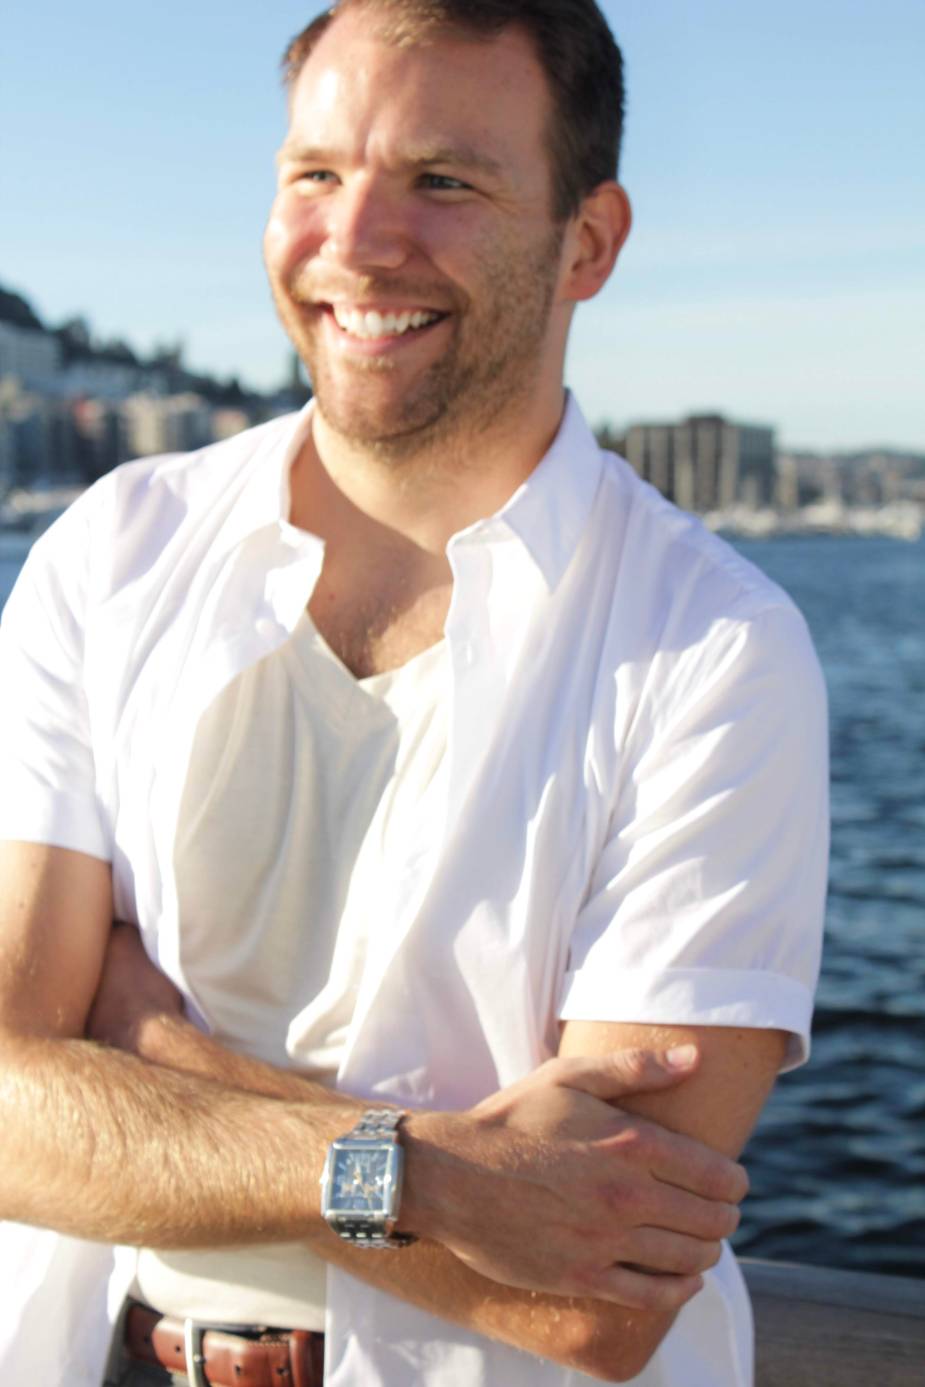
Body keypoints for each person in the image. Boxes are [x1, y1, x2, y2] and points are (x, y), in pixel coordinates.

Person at [0, 2, 828, 1384]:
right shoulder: (112, 553)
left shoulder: (714, 651)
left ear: (588, 242)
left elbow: (595, 1300)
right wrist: (435, 1179)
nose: (358, 238)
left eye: (443, 181)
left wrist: (136, 1041)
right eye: (316, 173)